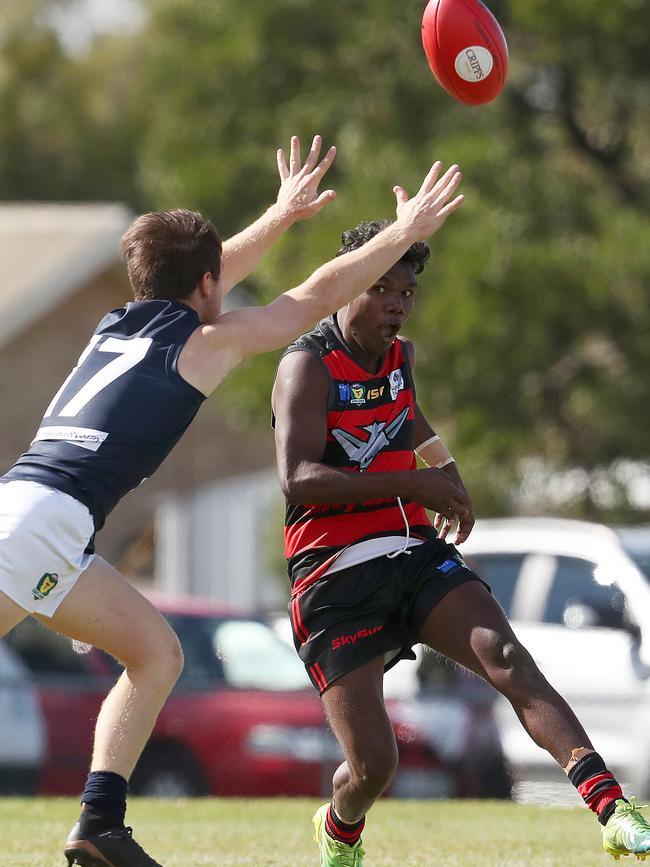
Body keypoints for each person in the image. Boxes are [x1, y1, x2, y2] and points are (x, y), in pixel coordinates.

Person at [0, 136, 465, 867]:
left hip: (29, 513)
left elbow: (207, 279)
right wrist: (403, 235)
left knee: (156, 652)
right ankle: (97, 821)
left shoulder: (118, 325)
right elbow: (311, 299)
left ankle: (100, 821)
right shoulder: (201, 347)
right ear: (209, 285)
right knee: (153, 656)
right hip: (43, 524)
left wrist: (280, 216)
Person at [271, 218, 650, 867]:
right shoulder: (306, 365)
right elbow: (298, 479)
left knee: (506, 653)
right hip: (332, 577)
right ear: (348, 284)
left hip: (410, 549)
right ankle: (339, 825)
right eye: (382, 286)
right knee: (373, 766)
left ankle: (613, 808)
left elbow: (410, 416)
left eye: (406, 291)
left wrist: (445, 470)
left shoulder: (400, 355)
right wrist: (416, 477)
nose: (395, 303)